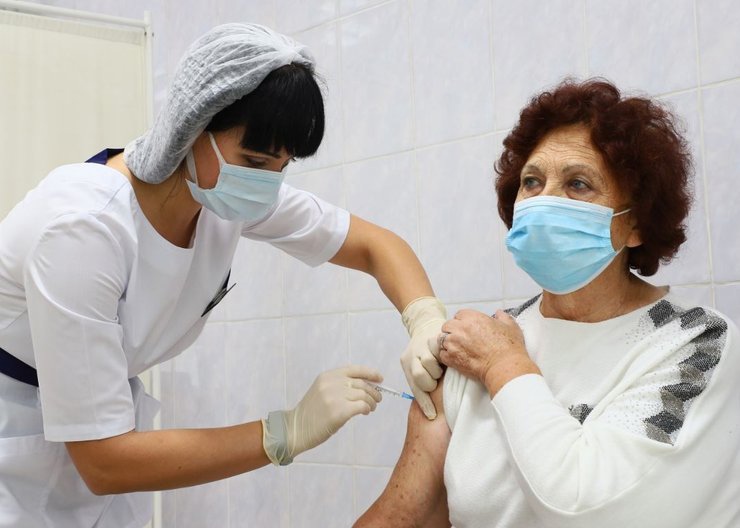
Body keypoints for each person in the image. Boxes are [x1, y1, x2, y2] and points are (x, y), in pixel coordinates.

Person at [0, 24, 447, 527]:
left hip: (96, 455)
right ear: (190, 128)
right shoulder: (82, 229)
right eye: (254, 160)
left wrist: (425, 320)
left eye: (282, 167)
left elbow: (376, 246)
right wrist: (284, 433)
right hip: (17, 449)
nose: (266, 184)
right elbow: (104, 462)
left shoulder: (219, 194)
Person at [355, 78, 740, 528]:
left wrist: (504, 365)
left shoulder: (696, 343)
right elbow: (404, 516)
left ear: (635, 223)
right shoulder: (478, 342)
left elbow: (588, 511)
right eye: (532, 182)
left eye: (578, 184)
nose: (543, 203)